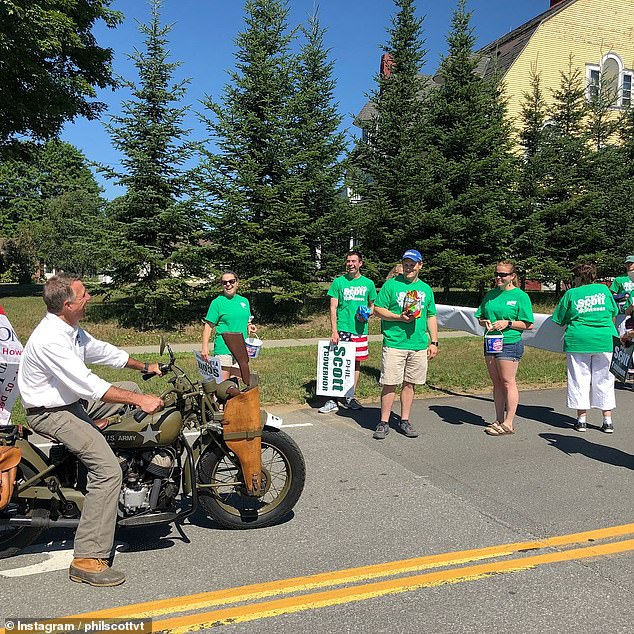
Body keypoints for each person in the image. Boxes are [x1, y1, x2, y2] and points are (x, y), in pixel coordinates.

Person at [17, 274, 164, 587]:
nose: (90, 299)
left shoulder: (69, 329)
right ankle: (87, 557)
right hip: (51, 413)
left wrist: (145, 367)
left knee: (128, 387)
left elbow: (101, 351)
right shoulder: (50, 339)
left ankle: (91, 472)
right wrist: (141, 400)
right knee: (109, 472)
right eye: (84, 295)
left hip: (70, 403)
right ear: (68, 305)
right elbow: (89, 384)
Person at [372, 249, 438, 439]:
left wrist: (433, 342)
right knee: (390, 383)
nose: (409, 267)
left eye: (413, 264)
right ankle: (383, 421)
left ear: (420, 266)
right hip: (395, 342)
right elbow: (378, 309)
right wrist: (398, 318)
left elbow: (431, 315)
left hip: (418, 344)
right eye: (406, 264)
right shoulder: (391, 285)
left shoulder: (425, 289)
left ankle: (404, 420)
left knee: (410, 383)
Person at [551, 263, 619, 433]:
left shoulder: (571, 293)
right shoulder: (604, 291)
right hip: (605, 340)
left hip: (578, 340)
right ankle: (607, 420)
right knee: (604, 380)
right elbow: (614, 312)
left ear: (579, 278)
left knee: (579, 379)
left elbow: (559, 319)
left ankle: (581, 419)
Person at [475, 261, 534, 436]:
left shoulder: (520, 296)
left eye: (503, 275)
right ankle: (498, 419)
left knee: (508, 382)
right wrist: (484, 321)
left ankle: (509, 422)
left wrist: (507, 323)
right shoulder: (491, 295)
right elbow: (480, 316)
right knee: (497, 382)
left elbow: (528, 324)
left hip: (509, 342)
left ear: (512, 277)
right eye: (497, 274)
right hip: (491, 341)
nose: (498, 277)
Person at [319, 250, 377, 413]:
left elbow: (373, 306)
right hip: (343, 328)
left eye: (353, 261)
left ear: (360, 263)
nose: (350, 264)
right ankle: (332, 399)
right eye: (348, 261)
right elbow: (333, 307)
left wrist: (367, 313)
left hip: (359, 330)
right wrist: (334, 331)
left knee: (355, 363)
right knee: (336, 362)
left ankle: (350, 396)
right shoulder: (338, 282)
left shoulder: (368, 284)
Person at [201, 272, 257, 381]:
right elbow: (208, 326)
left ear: (237, 283)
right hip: (224, 348)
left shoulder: (244, 301)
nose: (228, 284)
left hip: (241, 349)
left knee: (236, 383)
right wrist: (204, 347)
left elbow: (247, 320)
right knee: (223, 386)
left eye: (231, 281)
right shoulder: (217, 303)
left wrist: (249, 326)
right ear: (221, 285)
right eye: (224, 282)